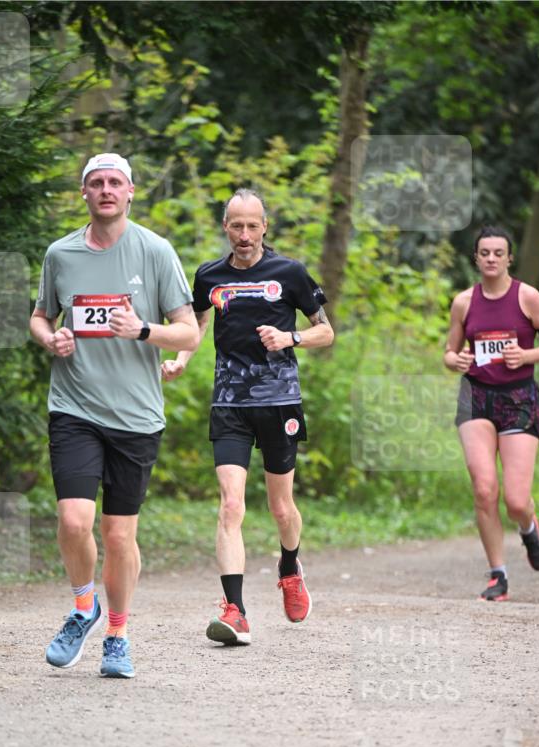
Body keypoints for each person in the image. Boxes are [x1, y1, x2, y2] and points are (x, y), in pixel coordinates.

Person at [30, 153, 199, 678]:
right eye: (96, 183)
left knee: (120, 536)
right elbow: (40, 316)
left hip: (136, 416)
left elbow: (190, 331)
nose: (106, 190)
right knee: (73, 520)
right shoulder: (61, 254)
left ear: (130, 193)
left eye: (115, 183)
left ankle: (118, 635)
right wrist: (50, 338)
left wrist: (144, 331)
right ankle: (84, 608)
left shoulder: (155, 251)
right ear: (84, 193)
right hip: (74, 407)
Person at [162, 188, 334, 645]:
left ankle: (290, 566)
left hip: (278, 403)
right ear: (225, 227)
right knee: (231, 504)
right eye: (235, 225)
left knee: (281, 508)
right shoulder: (209, 276)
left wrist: (289, 338)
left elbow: (326, 331)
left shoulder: (289, 272)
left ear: (264, 227)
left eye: (251, 225)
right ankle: (235, 610)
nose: (243, 234)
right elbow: (194, 327)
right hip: (230, 403)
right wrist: (181, 359)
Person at [445, 224, 539, 601]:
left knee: (516, 499)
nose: (490, 259)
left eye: (497, 253)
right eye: (484, 253)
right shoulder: (464, 302)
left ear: (509, 258)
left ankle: (530, 528)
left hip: (518, 398)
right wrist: (456, 361)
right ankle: (498, 574)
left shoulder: (528, 298)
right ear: (476, 257)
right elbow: (449, 352)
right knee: (485, 488)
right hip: (476, 397)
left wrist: (528, 354)